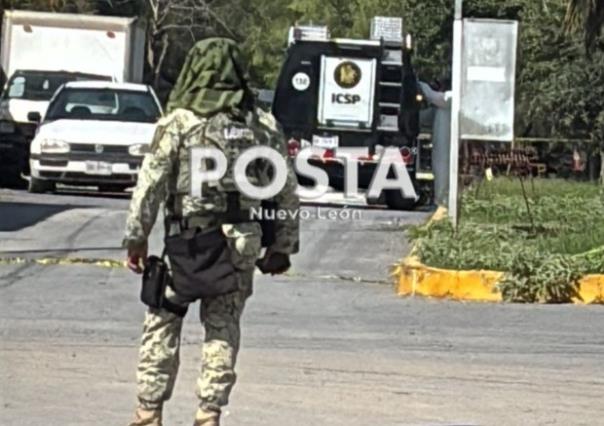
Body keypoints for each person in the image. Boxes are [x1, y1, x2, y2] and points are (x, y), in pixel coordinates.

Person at [123, 37, 300, 426]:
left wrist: (136, 237)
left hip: (186, 241)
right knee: (222, 327)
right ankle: (209, 412)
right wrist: (283, 246)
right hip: (240, 242)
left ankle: (148, 411)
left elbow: (150, 184)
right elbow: (286, 189)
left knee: (163, 320)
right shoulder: (264, 125)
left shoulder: (179, 123)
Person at [418, 79, 452, 206]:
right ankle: (441, 200)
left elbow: (434, 97)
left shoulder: (449, 99)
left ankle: (442, 201)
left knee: (442, 167)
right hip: (442, 147)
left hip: (444, 149)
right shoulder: (442, 107)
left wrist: (422, 85)